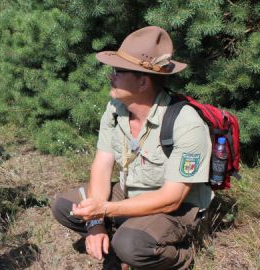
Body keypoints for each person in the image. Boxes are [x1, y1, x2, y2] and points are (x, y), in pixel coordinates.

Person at [51, 26, 213, 270]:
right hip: (129, 194)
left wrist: (103, 209)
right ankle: (119, 235)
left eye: (118, 70)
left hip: (174, 208)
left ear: (143, 81)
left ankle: (181, 255)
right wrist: (95, 223)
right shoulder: (115, 109)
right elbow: (102, 166)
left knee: (130, 245)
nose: (110, 76)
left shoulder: (186, 123)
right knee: (65, 207)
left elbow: (171, 199)